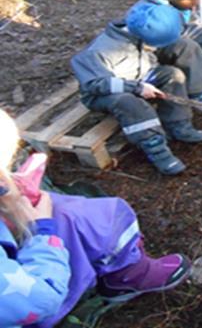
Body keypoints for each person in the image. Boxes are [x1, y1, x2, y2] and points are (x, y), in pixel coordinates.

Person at [0, 109, 191, 327]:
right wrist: (42, 231)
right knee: (89, 218)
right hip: (36, 301)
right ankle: (126, 276)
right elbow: (40, 299)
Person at [71, 3, 202, 175]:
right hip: (105, 94)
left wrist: (140, 83)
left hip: (138, 79)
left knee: (173, 74)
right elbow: (94, 84)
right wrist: (136, 88)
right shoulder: (97, 52)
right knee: (130, 103)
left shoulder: (138, 35)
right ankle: (156, 149)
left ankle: (178, 124)